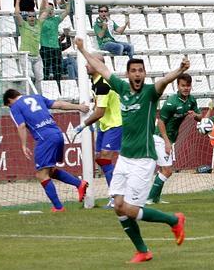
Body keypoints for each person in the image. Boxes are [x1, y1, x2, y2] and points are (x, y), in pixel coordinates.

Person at [74, 37, 187, 264]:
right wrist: (82, 49)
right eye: (133, 71)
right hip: (125, 159)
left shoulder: (149, 93)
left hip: (143, 160)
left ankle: (173, 221)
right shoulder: (121, 87)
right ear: (128, 74)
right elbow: (102, 68)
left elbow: (163, 81)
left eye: (140, 71)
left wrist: (179, 70)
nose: (137, 74)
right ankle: (143, 251)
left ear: (144, 74)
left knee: (131, 209)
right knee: (118, 207)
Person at [3, 88, 89, 211]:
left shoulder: (15, 106)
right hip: (58, 134)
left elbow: (21, 126)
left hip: (45, 139)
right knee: (50, 171)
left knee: (41, 175)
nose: (9, 107)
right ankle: (79, 184)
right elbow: (59, 104)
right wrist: (79, 107)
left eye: (8, 105)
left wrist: (23, 145)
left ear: (10, 100)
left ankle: (58, 207)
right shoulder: (38, 97)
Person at [146, 73, 204, 205]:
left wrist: (195, 115)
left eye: (188, 86)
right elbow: (160, 122)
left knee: (163, 170)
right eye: (183, 85)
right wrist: (166, 141)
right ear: (177, 86)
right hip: (160, 137)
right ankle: (149, 198)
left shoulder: (191, 100)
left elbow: (200, 117)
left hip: (170, 138)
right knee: (167, 170)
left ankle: (155, 198)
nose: (186, 88)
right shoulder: (171, 101)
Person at [74, 53, 123, 207]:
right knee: (99, 158)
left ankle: (117, 196)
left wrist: (83, 125)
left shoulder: (103, 84)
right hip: (104, 125)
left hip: (114, 125)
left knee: (106, 158)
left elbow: (100, 112)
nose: (85, 65)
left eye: (89, 63)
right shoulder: (95, 81)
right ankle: (118, 191)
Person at [14, 0, 45, 88]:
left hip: (36, 55)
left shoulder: (38, 25)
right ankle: (25, 95)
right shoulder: (23, 25)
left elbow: (45, 12)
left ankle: (37, 96)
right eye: (30, 16)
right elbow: (17, 14)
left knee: (40, 77)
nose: (32, 18)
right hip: (25, 55)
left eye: (33, 16)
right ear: (27, 18)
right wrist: (18, 0)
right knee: (29, 76)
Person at [39, 0, 71, 83]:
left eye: (52, 9)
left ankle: (58, 88)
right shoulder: (41, 20)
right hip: (45, 48)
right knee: (46, 71)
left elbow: (67, 11)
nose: (50, 11)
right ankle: (45, 89)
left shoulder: (56, 20)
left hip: (56, 49)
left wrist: (66, 0)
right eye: (48, 9)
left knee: (57, 72)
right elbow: (42, 10)